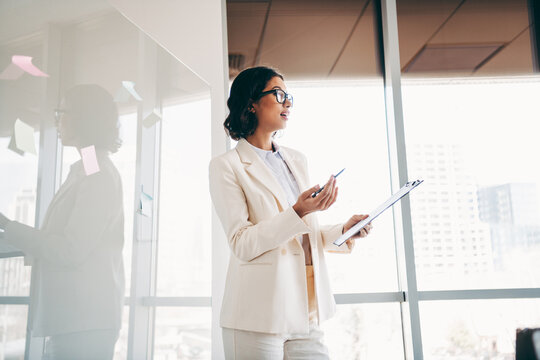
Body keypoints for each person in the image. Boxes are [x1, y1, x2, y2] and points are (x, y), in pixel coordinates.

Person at [209, 66, 373, 359]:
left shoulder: (296, 159)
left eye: (289, 97)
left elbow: (303, 236)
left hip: (304, 309)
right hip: (256, 316)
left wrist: (344, 230)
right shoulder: (227, 166)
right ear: (252, 102)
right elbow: (242, 243)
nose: (287, 103)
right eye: (278, 94)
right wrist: (297, 211)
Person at [0, 84, 125, 360]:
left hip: (83, 323)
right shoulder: (87, 167)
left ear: (84, 117)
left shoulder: (97, 173)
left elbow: (70, 248)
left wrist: (8, 225)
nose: (57, 120)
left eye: (62, 112)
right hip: (78, 321)